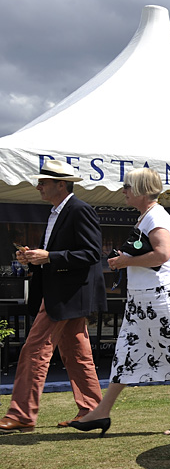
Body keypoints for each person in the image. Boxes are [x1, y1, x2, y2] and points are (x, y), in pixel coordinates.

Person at [70, 168, 170, 436]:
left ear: (141, 189)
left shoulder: (156, 217)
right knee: (126, 354)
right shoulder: (147, 217)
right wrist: (125, 260)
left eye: (128, 187)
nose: (124, 191)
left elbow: (162, 254)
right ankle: (102, 411)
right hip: (144, 299)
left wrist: (127, 261)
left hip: (160, 297)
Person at [0, 160, 107, 433]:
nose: (38, 186)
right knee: (76, 353)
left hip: (67, 295)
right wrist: (36, 258)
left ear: (61, 184)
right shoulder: (58, 212)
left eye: (43, 182)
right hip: (63, 294)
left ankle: (22, 414)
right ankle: (93, 411)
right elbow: (68, 255)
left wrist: (49, 256)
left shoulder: (79, 210)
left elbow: (92, 254)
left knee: (34, 350)